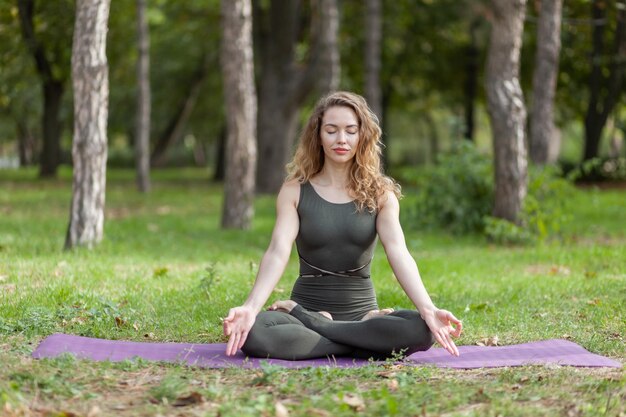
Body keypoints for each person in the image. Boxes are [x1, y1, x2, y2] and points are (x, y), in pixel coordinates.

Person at [223, 91, 462, 360]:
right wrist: (251, 307)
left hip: (361, 313)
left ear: (362, 136)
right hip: (307, 311)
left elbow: (398, 251)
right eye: (331, 130)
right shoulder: (294, 191)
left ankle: (326, 330)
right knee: (255, 333)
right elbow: (278, 251)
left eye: (351, 131)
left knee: (422, 330)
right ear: (318, 135)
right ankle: (362, 343)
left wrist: (428, 308)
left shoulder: (381, 193)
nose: (341, 140)